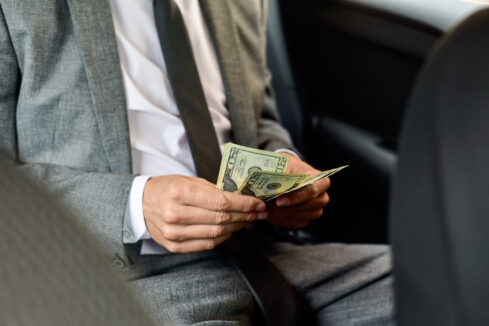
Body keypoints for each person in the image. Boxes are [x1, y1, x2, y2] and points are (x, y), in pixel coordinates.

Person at [0, 0, 393, 324]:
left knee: (443, 278)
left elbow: (260, 119)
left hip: (260, 254)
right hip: (118, 279)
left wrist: (283, 164)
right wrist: (135, 206)